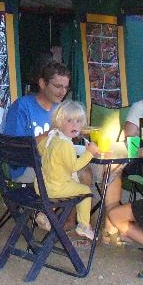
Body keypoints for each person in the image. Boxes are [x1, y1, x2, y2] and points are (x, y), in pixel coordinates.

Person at [102, 62, 143, 241]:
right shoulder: (140, 107)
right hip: (141, 158)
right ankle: (112, 221)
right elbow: (130, 138)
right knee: (113, 165)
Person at [37, 101, 100, 240]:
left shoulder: (52, 136)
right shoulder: (66, 145)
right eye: (70, 121)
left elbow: (41, 149)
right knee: (85, 190)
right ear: (59, 122)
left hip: (41, 185)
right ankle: (83, 225)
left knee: (72, 181)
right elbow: (74, 167)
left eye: (79, 121)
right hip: (55, 188)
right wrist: (89, 153)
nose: (75, 125)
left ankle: (47, 212)